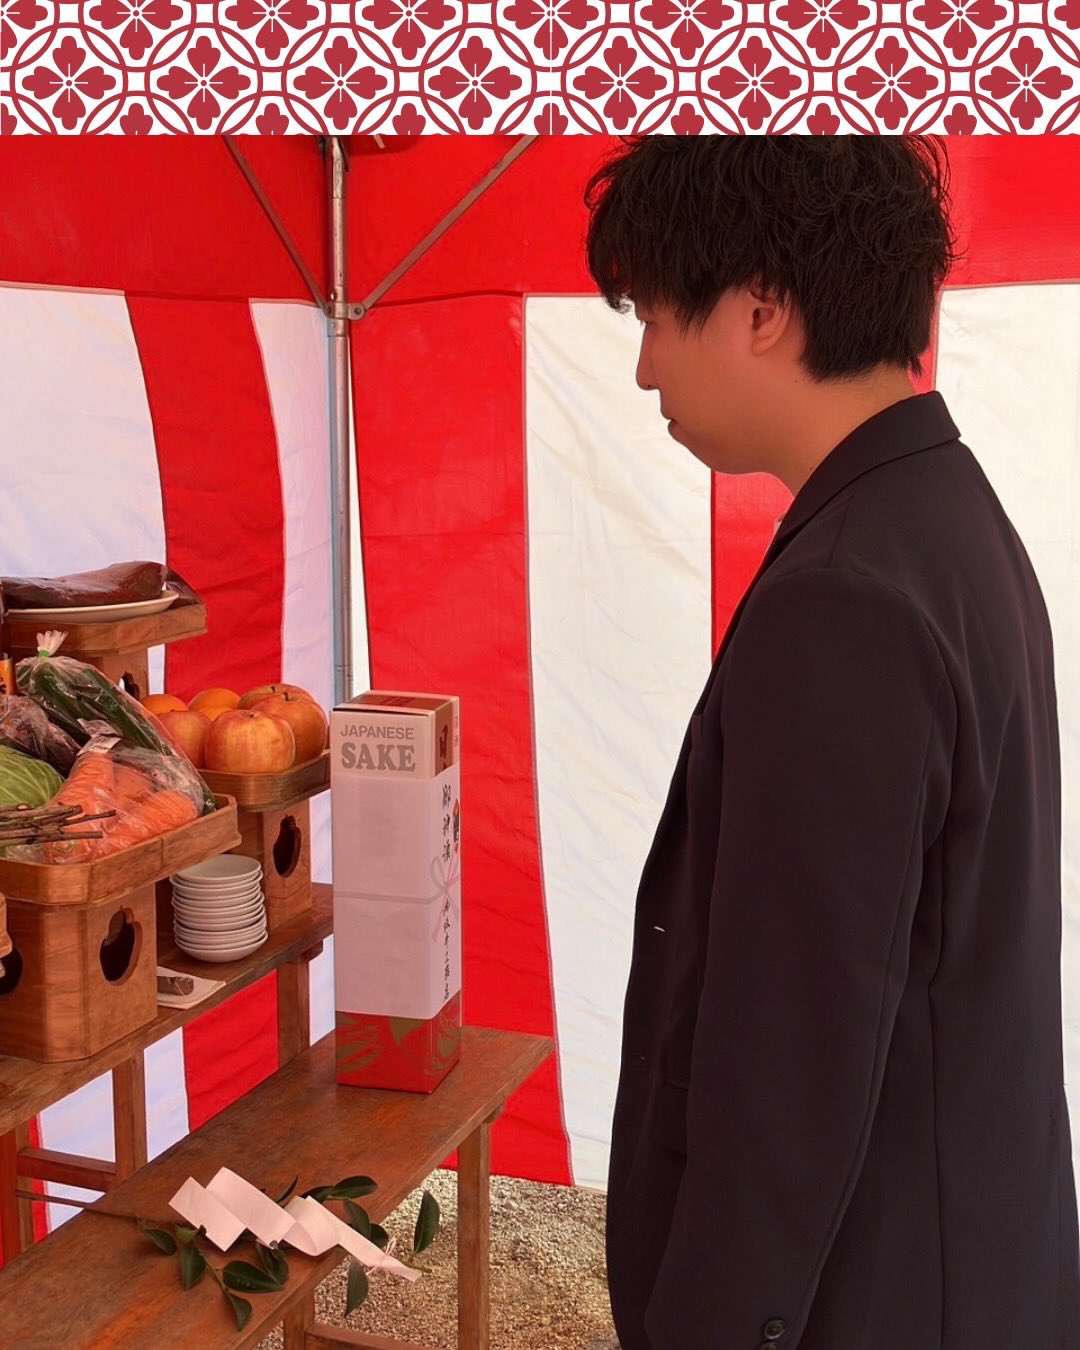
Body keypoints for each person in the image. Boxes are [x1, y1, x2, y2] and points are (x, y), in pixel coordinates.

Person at [584, 136, 1080, 1350]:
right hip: (964, 1254)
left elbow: (787, 1065)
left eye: (652, 314)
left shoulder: (847, 594)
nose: (645, 367)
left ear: (760, 306)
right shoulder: (945, 516)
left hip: (877, 1292)